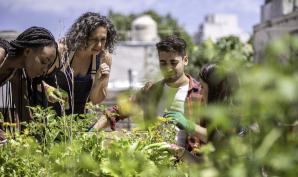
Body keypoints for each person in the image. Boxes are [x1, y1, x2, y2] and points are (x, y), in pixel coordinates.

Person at [92, 34, 208, 152]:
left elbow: (217, 137)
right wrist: (91, 131)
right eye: (163, 63)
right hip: (156, 163)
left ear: (185, 60)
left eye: (173, 63)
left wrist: (188, 124)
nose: (168, 68)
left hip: (189, 166)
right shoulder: (151, 91)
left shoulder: (200, 93)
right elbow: (117, 111)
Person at [29, 12, 117, 115]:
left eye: (103, 39)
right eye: (94, 39)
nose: (99, 45)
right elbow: (33, 80)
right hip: (47, 119)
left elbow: (95, 101)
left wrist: (102, 80)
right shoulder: (61, 51)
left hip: (78, 124)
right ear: (82, 37)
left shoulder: (104, 58)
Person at [0, 26, 58, 142]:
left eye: (48, 66)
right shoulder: (1, 55)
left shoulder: (18, 72)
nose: (44, 70)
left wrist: (34, 142)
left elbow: (24, 110)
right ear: (27, 51)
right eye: (43, 62)